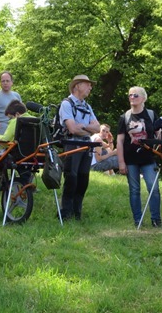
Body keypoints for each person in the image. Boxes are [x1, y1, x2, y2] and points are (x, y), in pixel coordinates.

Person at [116, 86, 162, 227]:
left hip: (148, 158)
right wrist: (121, 162)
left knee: (153, 188)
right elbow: (119, 141)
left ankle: (156, 219)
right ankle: (138, 220)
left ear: (143, 98)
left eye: (135, 95)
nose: (132, 97)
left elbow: (159, 135)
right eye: (130, 95)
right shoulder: (125, 117)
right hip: (130, 159)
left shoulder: (151, 115)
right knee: (134, 190)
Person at [59, 74, 100, 221]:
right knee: (72, 177)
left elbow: (97, 128)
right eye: (87, 84)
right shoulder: (66, 104)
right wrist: (87, 129)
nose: (90, 87)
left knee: (83, 179)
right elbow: (72, 129)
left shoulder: (87, 106)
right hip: (72, 145)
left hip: (87, 146)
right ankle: (65, 213)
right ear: (77, 86)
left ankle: (77, 213)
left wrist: (83, 126)